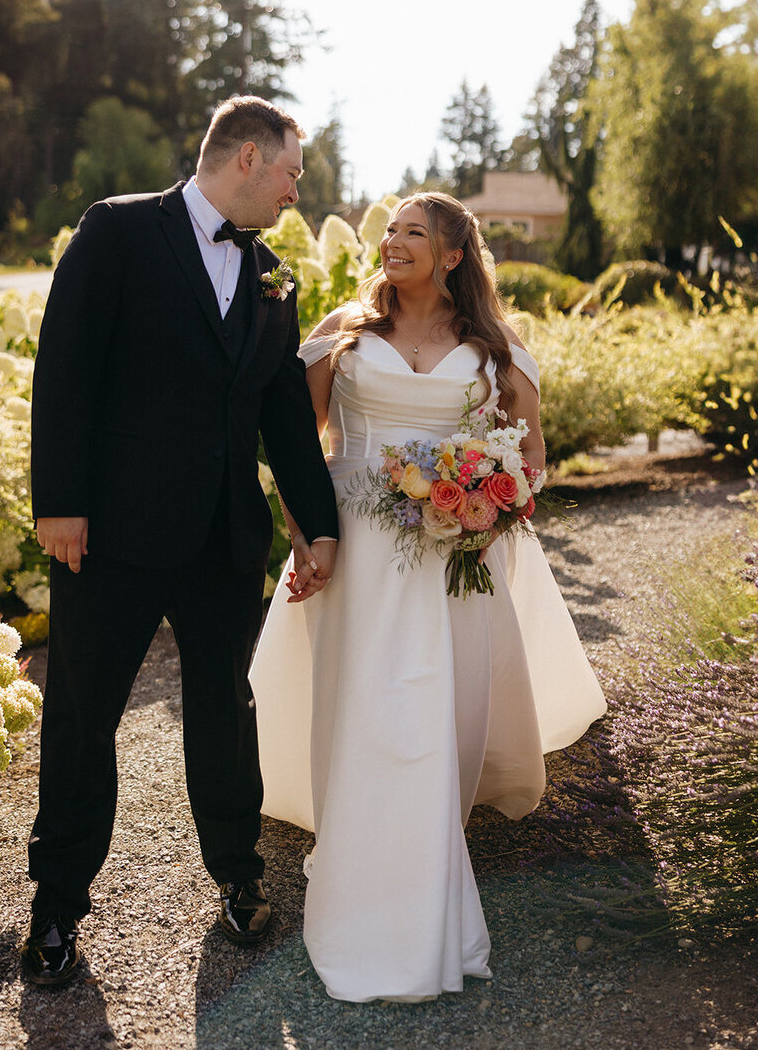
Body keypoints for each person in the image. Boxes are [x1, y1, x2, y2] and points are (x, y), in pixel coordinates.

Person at [249, 192, 607, 1003]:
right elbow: (295, 439)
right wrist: (304, 532)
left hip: (452, 549)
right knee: (360, 699)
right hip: (357, 544)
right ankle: (356, 841)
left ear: (452, 254)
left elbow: (532, 457)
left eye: (414, 231)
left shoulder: (492, 345)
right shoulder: (345, 332)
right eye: (389, 231)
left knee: (434, 704)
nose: (393, 242)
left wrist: (486, 501)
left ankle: (424, 850)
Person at [21, 96, 339, 986]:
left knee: (224, 712)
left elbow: (283, 416)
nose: (295, 188)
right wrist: (61, 502)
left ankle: (238, 875)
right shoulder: (118, 232)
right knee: (84, 715)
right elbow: (66, 363)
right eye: (290, 171)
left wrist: (318, 527)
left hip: (220, 536)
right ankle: (56, 907)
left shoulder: (275, 276)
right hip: (110, 532)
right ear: (246, 157)